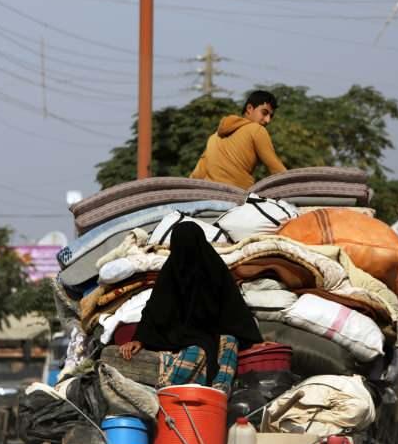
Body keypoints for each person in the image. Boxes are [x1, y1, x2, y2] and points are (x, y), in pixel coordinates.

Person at [119, 222, 262, 388]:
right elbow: (155, 310)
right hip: (179, 337)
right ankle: (174, 392)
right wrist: (140, 339)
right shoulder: (170, 274)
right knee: (196, 351)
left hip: (214, 333)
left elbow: (235, 309)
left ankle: (218, 393)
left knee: (229, 342)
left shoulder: (215, 271)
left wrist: (256, 340)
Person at [190, 90, 287, 189]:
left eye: (271, 116)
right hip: (238, 197)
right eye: (264, 113)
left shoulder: (213, 138)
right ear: (249, 108)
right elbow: (276, 169)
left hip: (209, 195)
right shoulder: (257, 130)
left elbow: (196, 175)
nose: (267, 120)